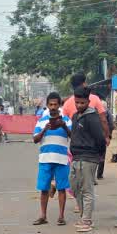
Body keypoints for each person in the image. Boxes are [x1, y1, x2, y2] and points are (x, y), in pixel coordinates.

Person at [68, 87, 106, 232]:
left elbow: (100, 139)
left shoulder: (92, 117)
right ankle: (84, 217)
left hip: (89, 158)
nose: (79, 105)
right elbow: (74, 135)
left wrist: (99, 156)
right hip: (76, 157)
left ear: (88, 102)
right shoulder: (76, 116)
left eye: (82, 103)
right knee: (74, 188)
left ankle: (87, 220)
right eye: (77, 102)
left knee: (87, 189)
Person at [32, 93, 71, 226]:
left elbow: (73, 136)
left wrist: (64, 126)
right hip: (45, 159)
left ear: (59, 105)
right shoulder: (41, 121)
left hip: (61, 159)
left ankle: (61, 216)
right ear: (47, 105)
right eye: (51, 104)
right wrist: (44, 130)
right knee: (44, 188)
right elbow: (35, 139)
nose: (53, 107)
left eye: (55, 104)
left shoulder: (66, 119)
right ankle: (43, 215)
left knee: (61, 188)